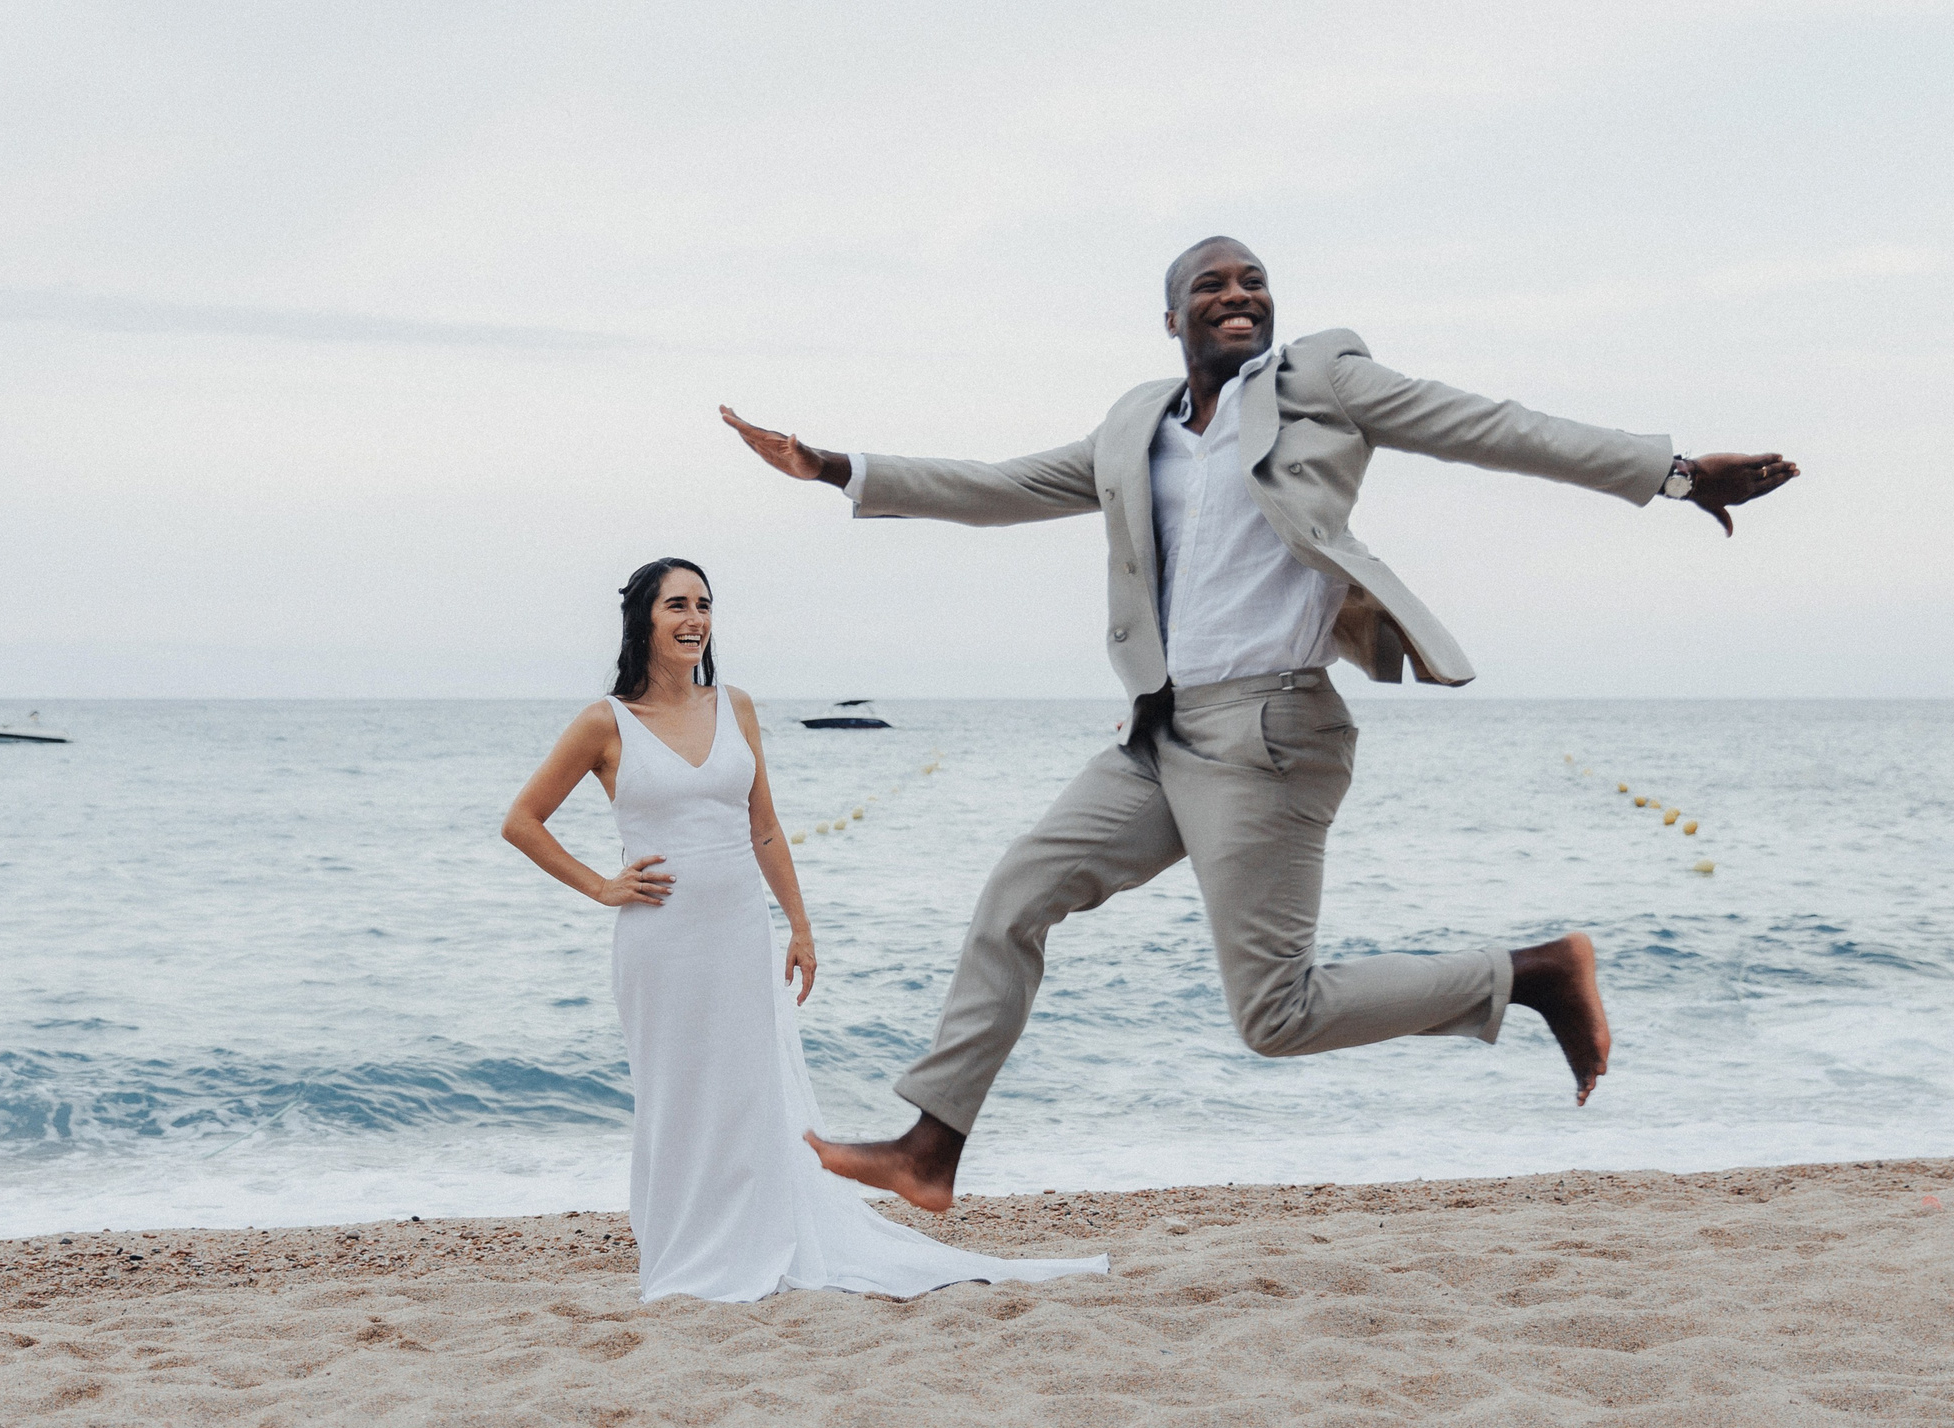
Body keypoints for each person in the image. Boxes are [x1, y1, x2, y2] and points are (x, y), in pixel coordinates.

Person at [721, 235, 1800, 1214]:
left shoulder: (1320, 382)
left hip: (1271, 734)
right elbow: (1003, 484)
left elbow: (1492, 425)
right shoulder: (1133, 424)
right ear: (1171, 316)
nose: (1238, 297)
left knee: (1273, 1015)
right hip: (1160, 732)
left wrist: (1669, 473)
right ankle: (930, 1147)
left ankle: (1531, 973)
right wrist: (836, 468)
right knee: (1016, 893)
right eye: (1212, 285)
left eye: (1253, 283)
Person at [500, 557, 1108, 1301]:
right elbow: (522, 822)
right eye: (677, 607)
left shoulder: (737, 707)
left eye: (704, 605)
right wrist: (601, 884)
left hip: (739, 934)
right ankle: (687, 1250)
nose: (695, 620)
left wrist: (800, 924)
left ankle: (755, 1240)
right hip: (659, 943)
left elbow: (763, 827)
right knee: (677, 1096)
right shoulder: (605, 723)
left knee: (753, 1093)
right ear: (643, 620)